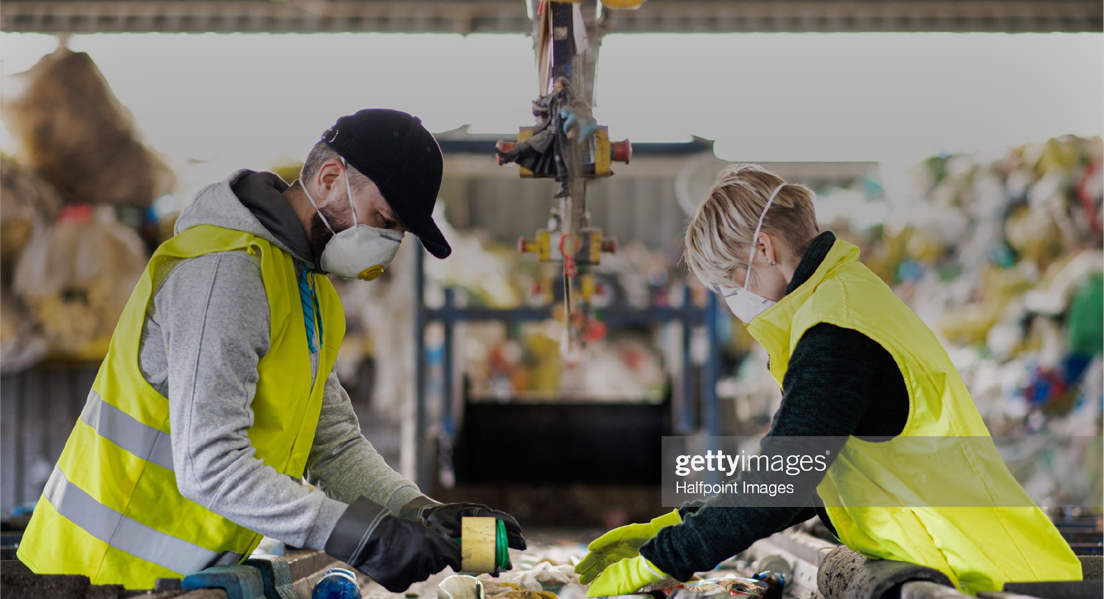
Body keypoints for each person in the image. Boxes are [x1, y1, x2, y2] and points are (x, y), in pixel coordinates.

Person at [17, 109, 525, 590]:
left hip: (174, 581)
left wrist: (419, 512)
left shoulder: (309, 290)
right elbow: (210, 465)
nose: (389, 244)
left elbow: (334, 447)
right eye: (384, 219)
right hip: (96, 578)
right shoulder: (226, 272)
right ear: (329, 178)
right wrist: (360, 537)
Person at [576, 164, 1082, 596]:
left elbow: (781, 480)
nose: (732, 302)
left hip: (993, 579)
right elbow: (809, 480)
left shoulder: (836, 330)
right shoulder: (841, 301)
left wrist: (660, 560)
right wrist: (680, 524)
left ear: (764, 249)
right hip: (962, 572)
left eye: (728, 282)